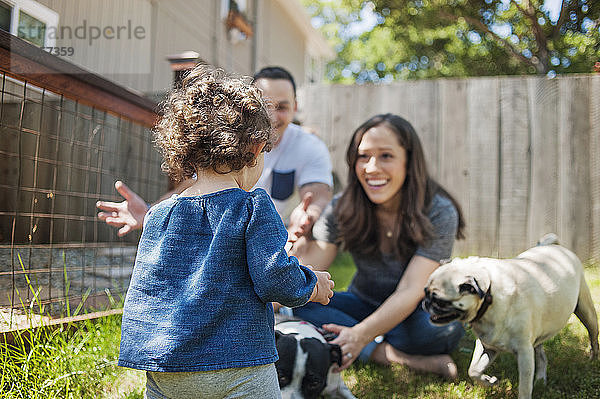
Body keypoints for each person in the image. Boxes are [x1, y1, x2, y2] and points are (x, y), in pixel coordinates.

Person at [118, 65, 335, 399]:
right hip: (239, 368)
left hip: (164, 365)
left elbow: (148, 290)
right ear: (255, 149)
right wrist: (312, 285)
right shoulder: (252, 206)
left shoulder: (160, 213)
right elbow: (275, 279)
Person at [288, 114, 466, 379]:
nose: (371, 168)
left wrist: (360, 334)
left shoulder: (439, 211)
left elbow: (410, 290)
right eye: (363, 156)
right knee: (300, 303)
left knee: (441, 330)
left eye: (386, 156)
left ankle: (364, 340)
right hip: (363, 303)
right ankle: (392, 356)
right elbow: (308, 271)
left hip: (415, 310)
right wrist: (296, 245)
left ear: (409, 160)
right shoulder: (341, 207)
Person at [96, 66, 333, 241]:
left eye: (281, 107)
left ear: (296, 107)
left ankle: (294, 294)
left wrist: (307, 216)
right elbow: (194, 189)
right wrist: (153, 212)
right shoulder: (231, 138)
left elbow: (318, 192)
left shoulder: (309, 146)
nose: (271, 116)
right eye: (265, 105)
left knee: (311, 237)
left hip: (283, 232)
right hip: (227, 230)